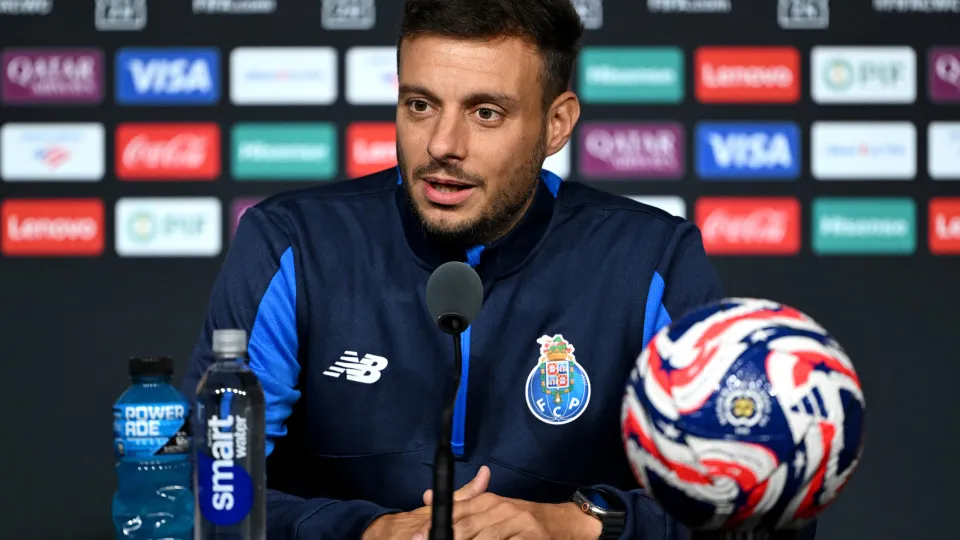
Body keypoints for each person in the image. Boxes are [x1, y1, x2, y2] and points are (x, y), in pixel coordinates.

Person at [182, 1, 807, 539]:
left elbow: (758, 498)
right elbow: (198, 486)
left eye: (486, 113)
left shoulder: (650, 260)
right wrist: (364, 530)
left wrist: (580, 523)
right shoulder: (292, 243)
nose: (442, 145)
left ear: (556, 124)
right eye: (420, 104)